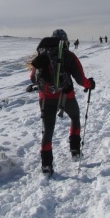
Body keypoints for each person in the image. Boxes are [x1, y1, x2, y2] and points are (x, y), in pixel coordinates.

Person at [29, 29, 95, 175]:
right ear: (65, 41)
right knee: (75, 117)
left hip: (46, 97)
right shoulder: (69, 56)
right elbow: (80, 80)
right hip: (66, 96)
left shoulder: (42, 55)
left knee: (48, 130)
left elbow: (33, 78)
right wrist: (90, 84)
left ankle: (46, 166)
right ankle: (75, 150)